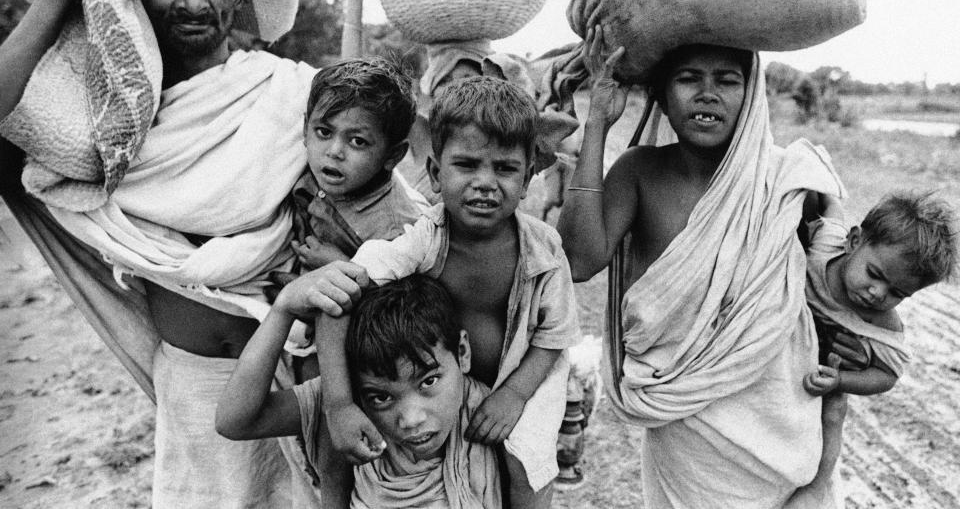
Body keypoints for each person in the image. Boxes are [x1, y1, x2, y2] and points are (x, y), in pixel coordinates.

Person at [0, 0, 358, 506]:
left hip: (300, 384)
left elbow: (382, 204)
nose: (193, 1)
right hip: (192, 390)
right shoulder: (107, 125)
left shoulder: (288, 97)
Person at [557, 25, 849, 508]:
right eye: (688, 78)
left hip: (780, 418)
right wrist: (597, 128)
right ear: (662, 94)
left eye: (728, 80)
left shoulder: (789, 180)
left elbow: (835, 298)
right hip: (686, 427)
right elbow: (578, 260)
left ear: (752, 92)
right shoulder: (640, 172)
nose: (708, 94)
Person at [305, 76, 581, 508]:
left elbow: (554, 336)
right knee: (336, 431)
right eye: (467, 165)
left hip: (525, 375)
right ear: (435, 173)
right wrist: (339, 403)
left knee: (525, 460)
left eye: (505, 168)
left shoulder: (544, 250)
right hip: (439, 380)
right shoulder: (423, 239)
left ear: (528, 178)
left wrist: (512, 396)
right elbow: (337, 300)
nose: (486, 182)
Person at [216, 274, 502, 508]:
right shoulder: (350, 405)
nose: (411, 419)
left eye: (428, 382)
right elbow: (236, 420)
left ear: (462, 353)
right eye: (382, 397)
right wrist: (284, 309)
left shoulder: (490, 411)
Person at [802, 192, 957, 395]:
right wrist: (828, 194)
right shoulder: (826, 244)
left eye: (897, 293)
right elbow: (833, 215)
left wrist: (840, 380)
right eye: (874, 274)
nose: (877, 293)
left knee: (834, 411)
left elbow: (887, 375)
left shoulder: (881, 321)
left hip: (818, 374)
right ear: (854, 241)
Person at [284, 57, 427, 273]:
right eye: (324, 132)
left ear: (393, 156)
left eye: (358, 141)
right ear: (306, 130)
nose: (334, 152)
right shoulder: (298, 167)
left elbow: (398, 299)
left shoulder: (395, 232)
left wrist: (342, 266)